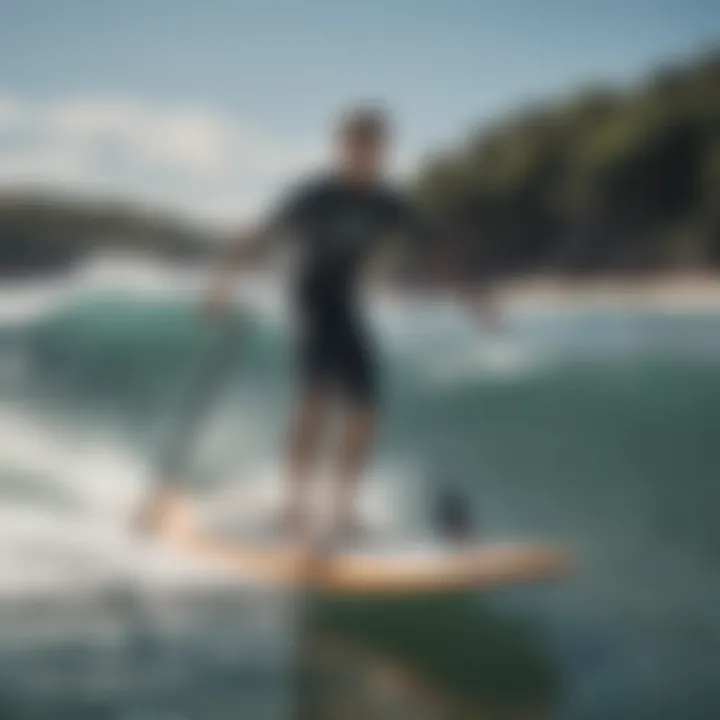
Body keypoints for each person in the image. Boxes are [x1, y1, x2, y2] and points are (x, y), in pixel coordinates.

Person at [136, 105, 496, 542]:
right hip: (308, 299)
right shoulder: (315, 195)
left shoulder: (387, 202)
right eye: (357, 146)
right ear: (341, 148)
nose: (365, 155)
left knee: (366, 410)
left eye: (374, 148)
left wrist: (473, 297)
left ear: (383, 152)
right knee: (317, 399)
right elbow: (259, 235)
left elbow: (436, 249)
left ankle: (342, 508)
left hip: (345, 303)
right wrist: (222, 286)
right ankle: (296, 506)